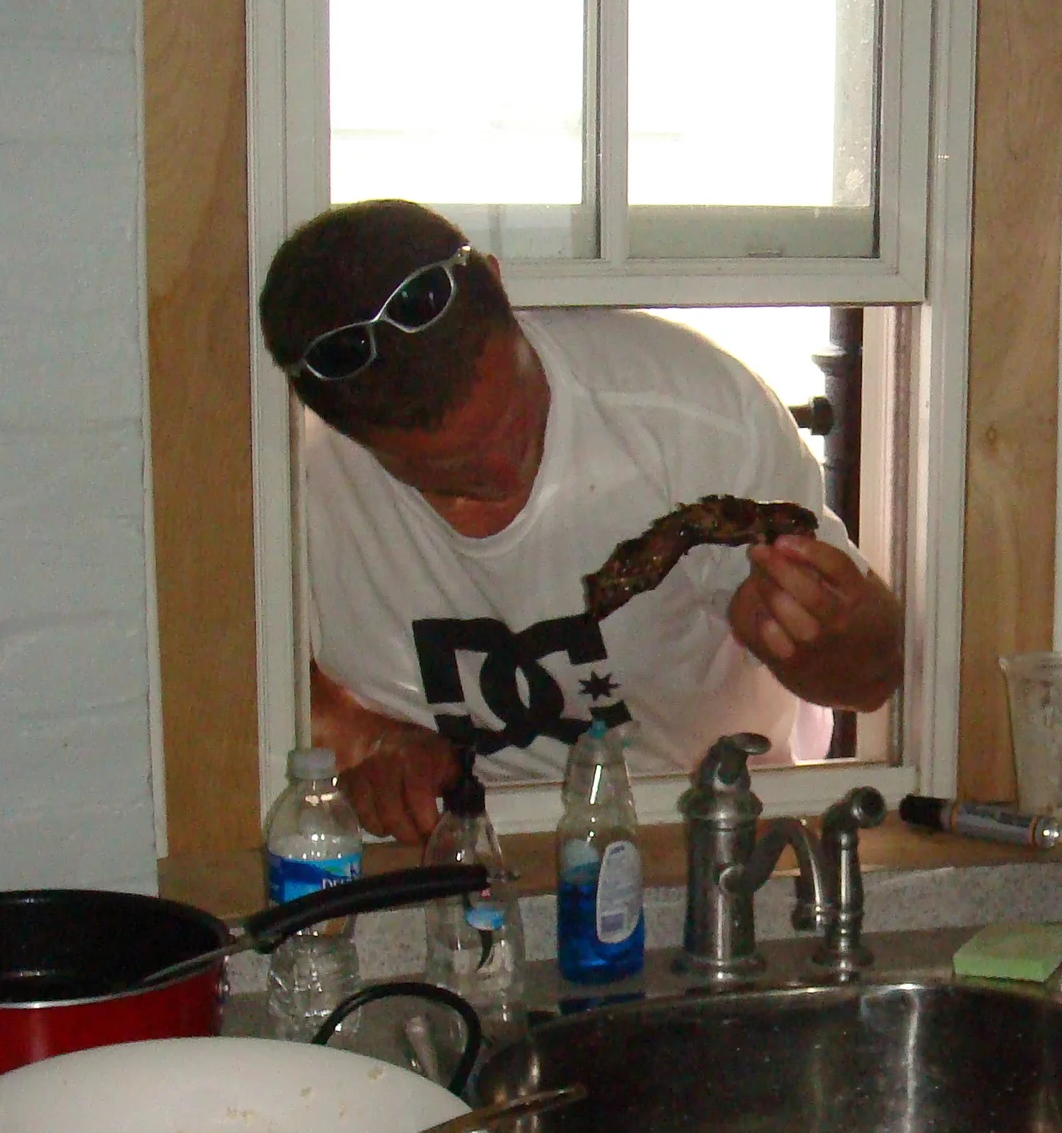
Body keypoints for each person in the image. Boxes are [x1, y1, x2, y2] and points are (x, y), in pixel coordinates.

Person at [258, 199, 902, 845]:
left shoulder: (693, 413)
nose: (506, 476)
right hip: (430, 855)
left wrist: (830, 640)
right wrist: (364, 734)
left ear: (503, 288)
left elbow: (870, 680)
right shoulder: (285, 477)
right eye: (452, 475)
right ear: (346, 436)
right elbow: (237, 674)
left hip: (691, 834)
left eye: (515, 423)